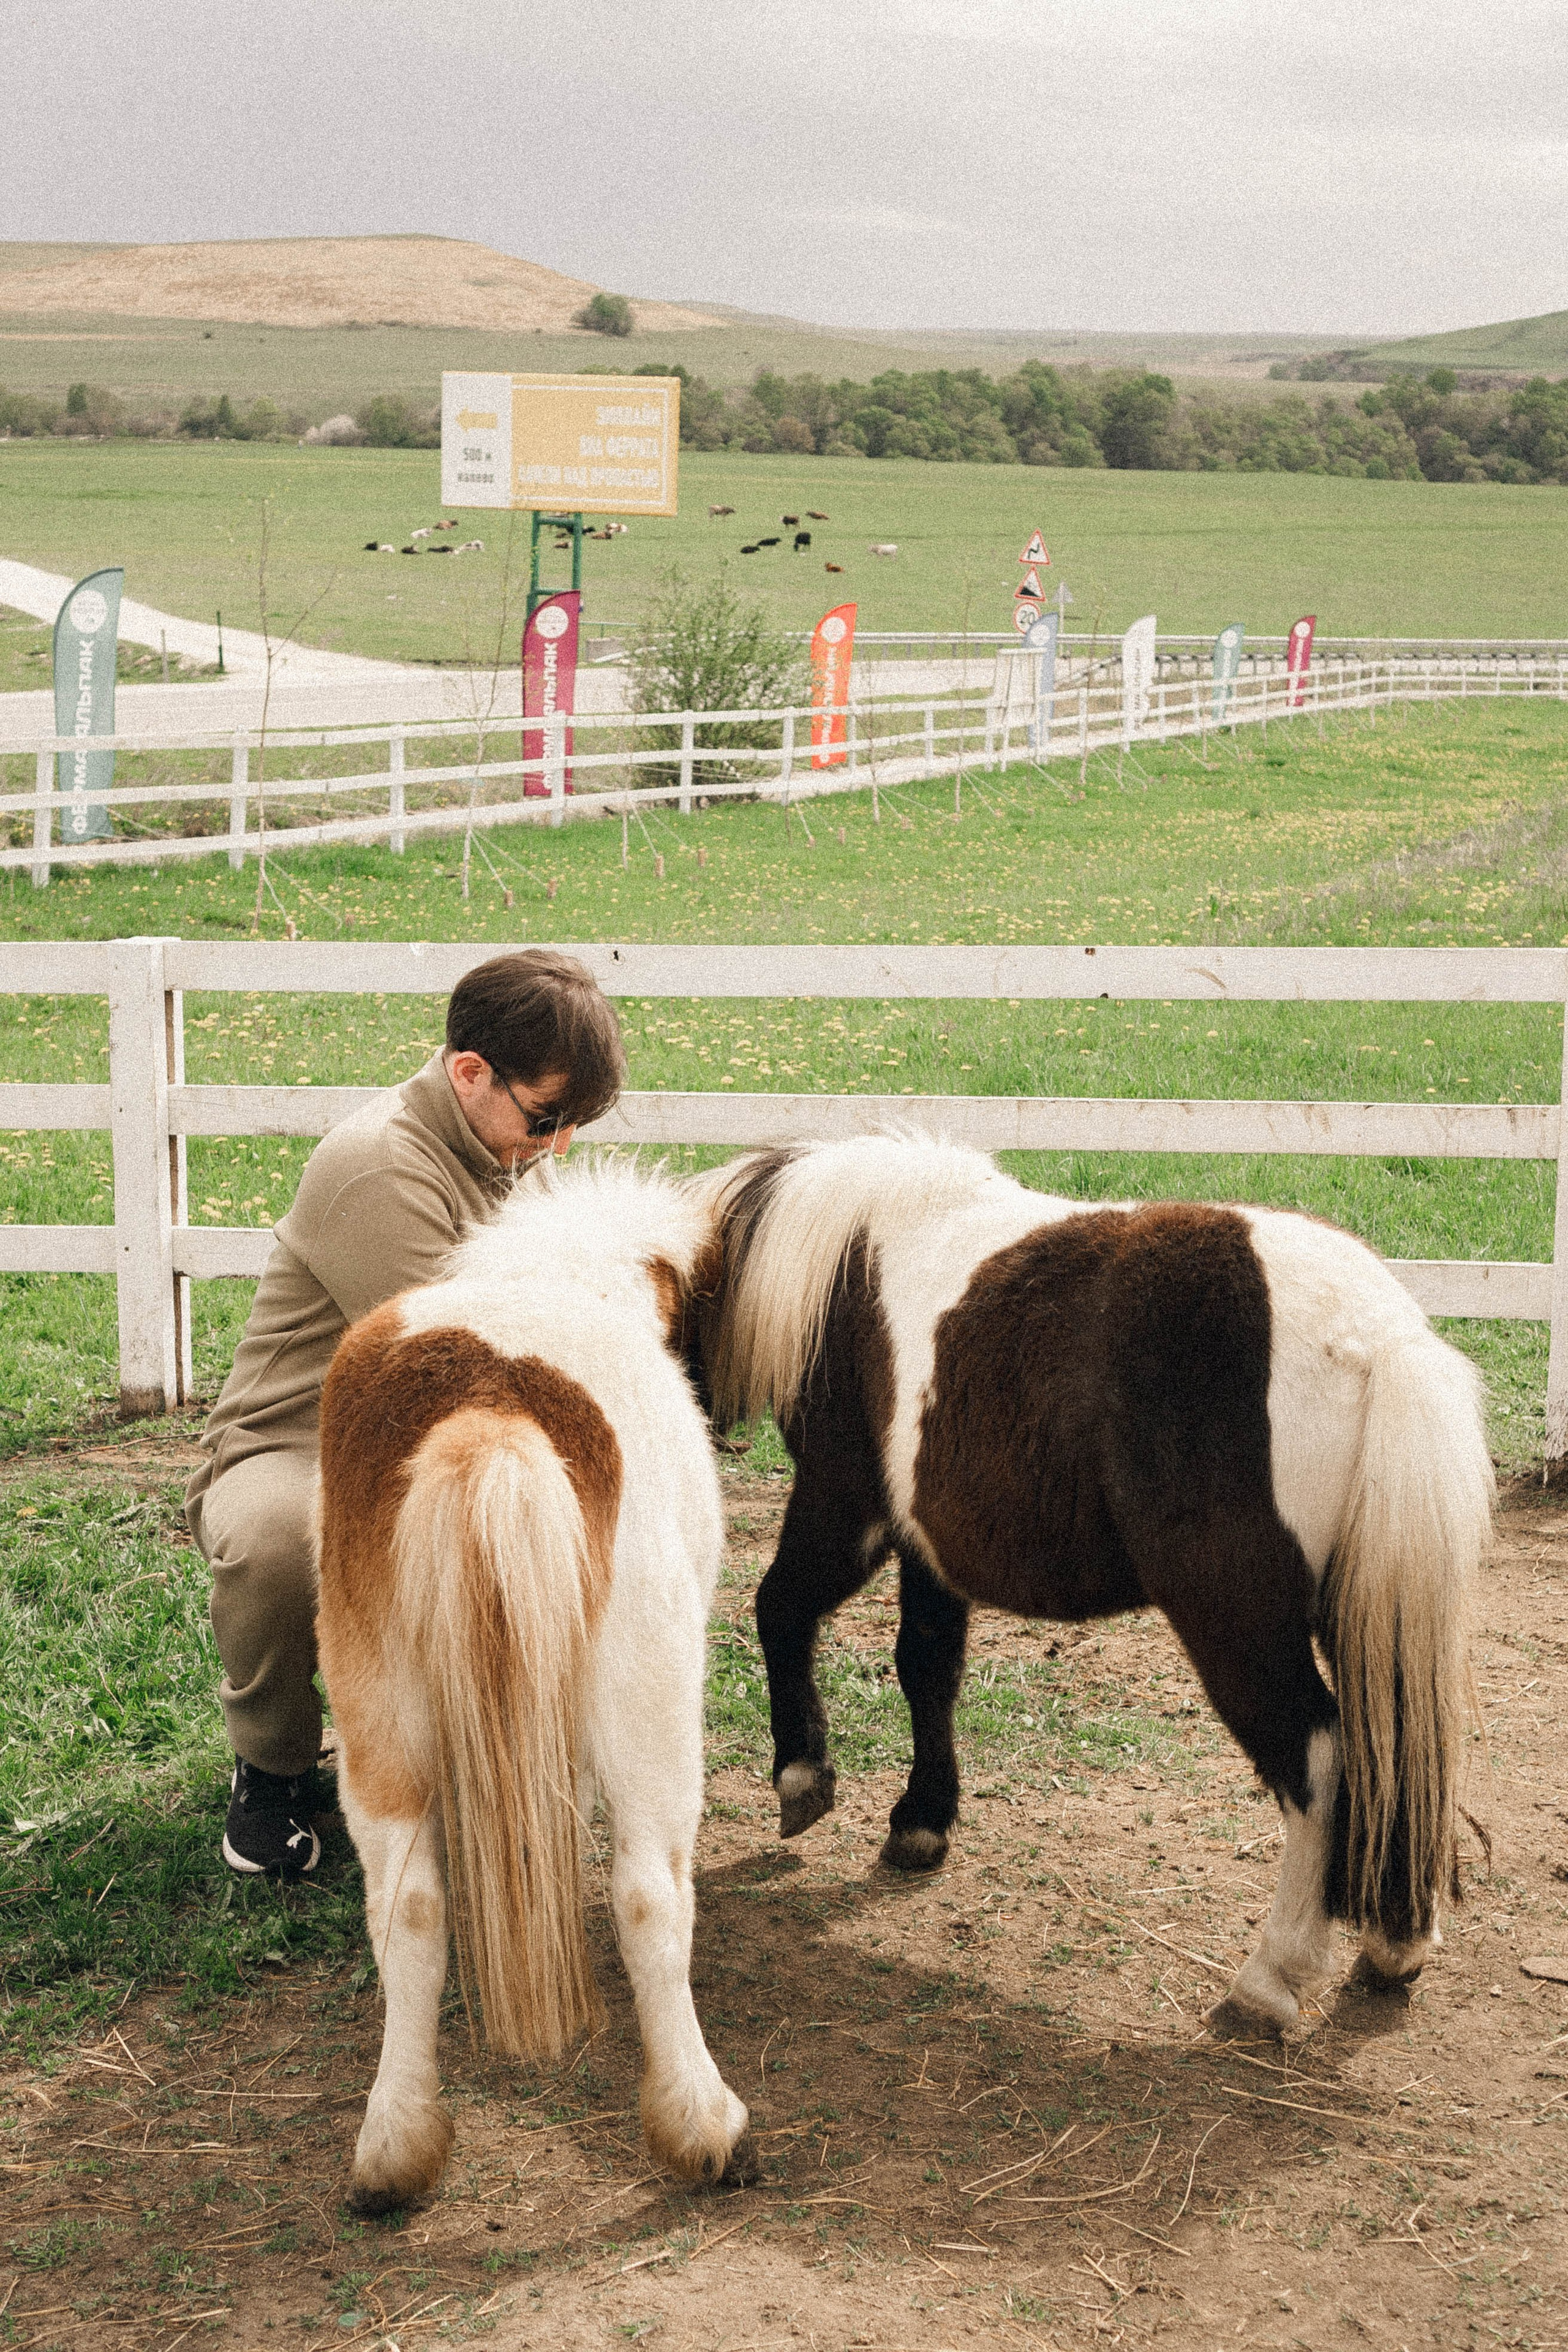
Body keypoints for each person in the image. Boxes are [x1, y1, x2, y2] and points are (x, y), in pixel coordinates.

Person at [186, 948, 627, 1879]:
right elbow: (466, 1362)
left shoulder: (505, 1153)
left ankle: (491, 1749)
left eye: (573, 1126)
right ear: (470, 1073)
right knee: (277, 1544)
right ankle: (273, 1770)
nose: (558, 1151)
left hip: (443, 1427)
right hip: (303, 1442)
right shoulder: (380, 1167)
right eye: (547, 1118)